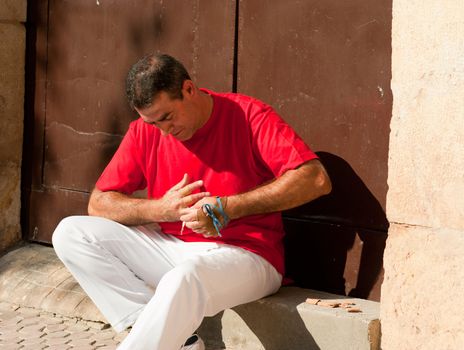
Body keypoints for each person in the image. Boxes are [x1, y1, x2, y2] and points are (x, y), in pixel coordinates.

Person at [52, 53, 331, 350]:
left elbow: (315, 179)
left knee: (182, 278)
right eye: (152, 122)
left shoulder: (249, 114)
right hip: (174, 251)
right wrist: (161, 209)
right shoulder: (146, 130)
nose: (164, 131)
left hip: (249, 256)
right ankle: (180, 341)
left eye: (168, 117)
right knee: (71, 233)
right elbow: (99, 203)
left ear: (188, 89)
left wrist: (228, 207)